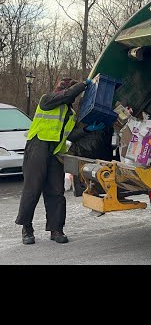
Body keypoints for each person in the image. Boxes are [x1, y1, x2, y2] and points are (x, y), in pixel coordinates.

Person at [15, 77, 105, 244]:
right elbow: (67, 95)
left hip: (55, 153)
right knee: (32, 190)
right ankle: (26, 228)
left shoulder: (70, 114)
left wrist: (86, 129)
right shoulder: (47, 100)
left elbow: (69, 135)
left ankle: (56, 230)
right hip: (38, 147)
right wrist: (83, 84)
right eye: (72, 92)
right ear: (64, 90)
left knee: (56, 191)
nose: (74, 97)